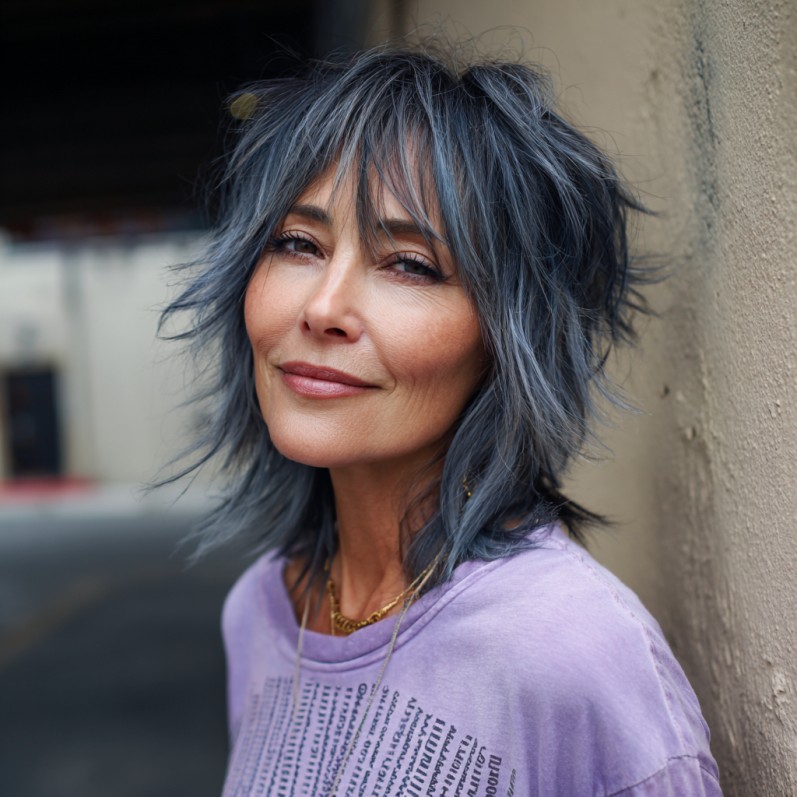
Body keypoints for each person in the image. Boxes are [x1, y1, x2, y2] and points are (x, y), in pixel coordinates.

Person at [161, 46, 722, 796]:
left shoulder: (571, 652)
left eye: (409, 265)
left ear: (504, 337)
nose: (322, 308)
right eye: (299, 243)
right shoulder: (260, 612)